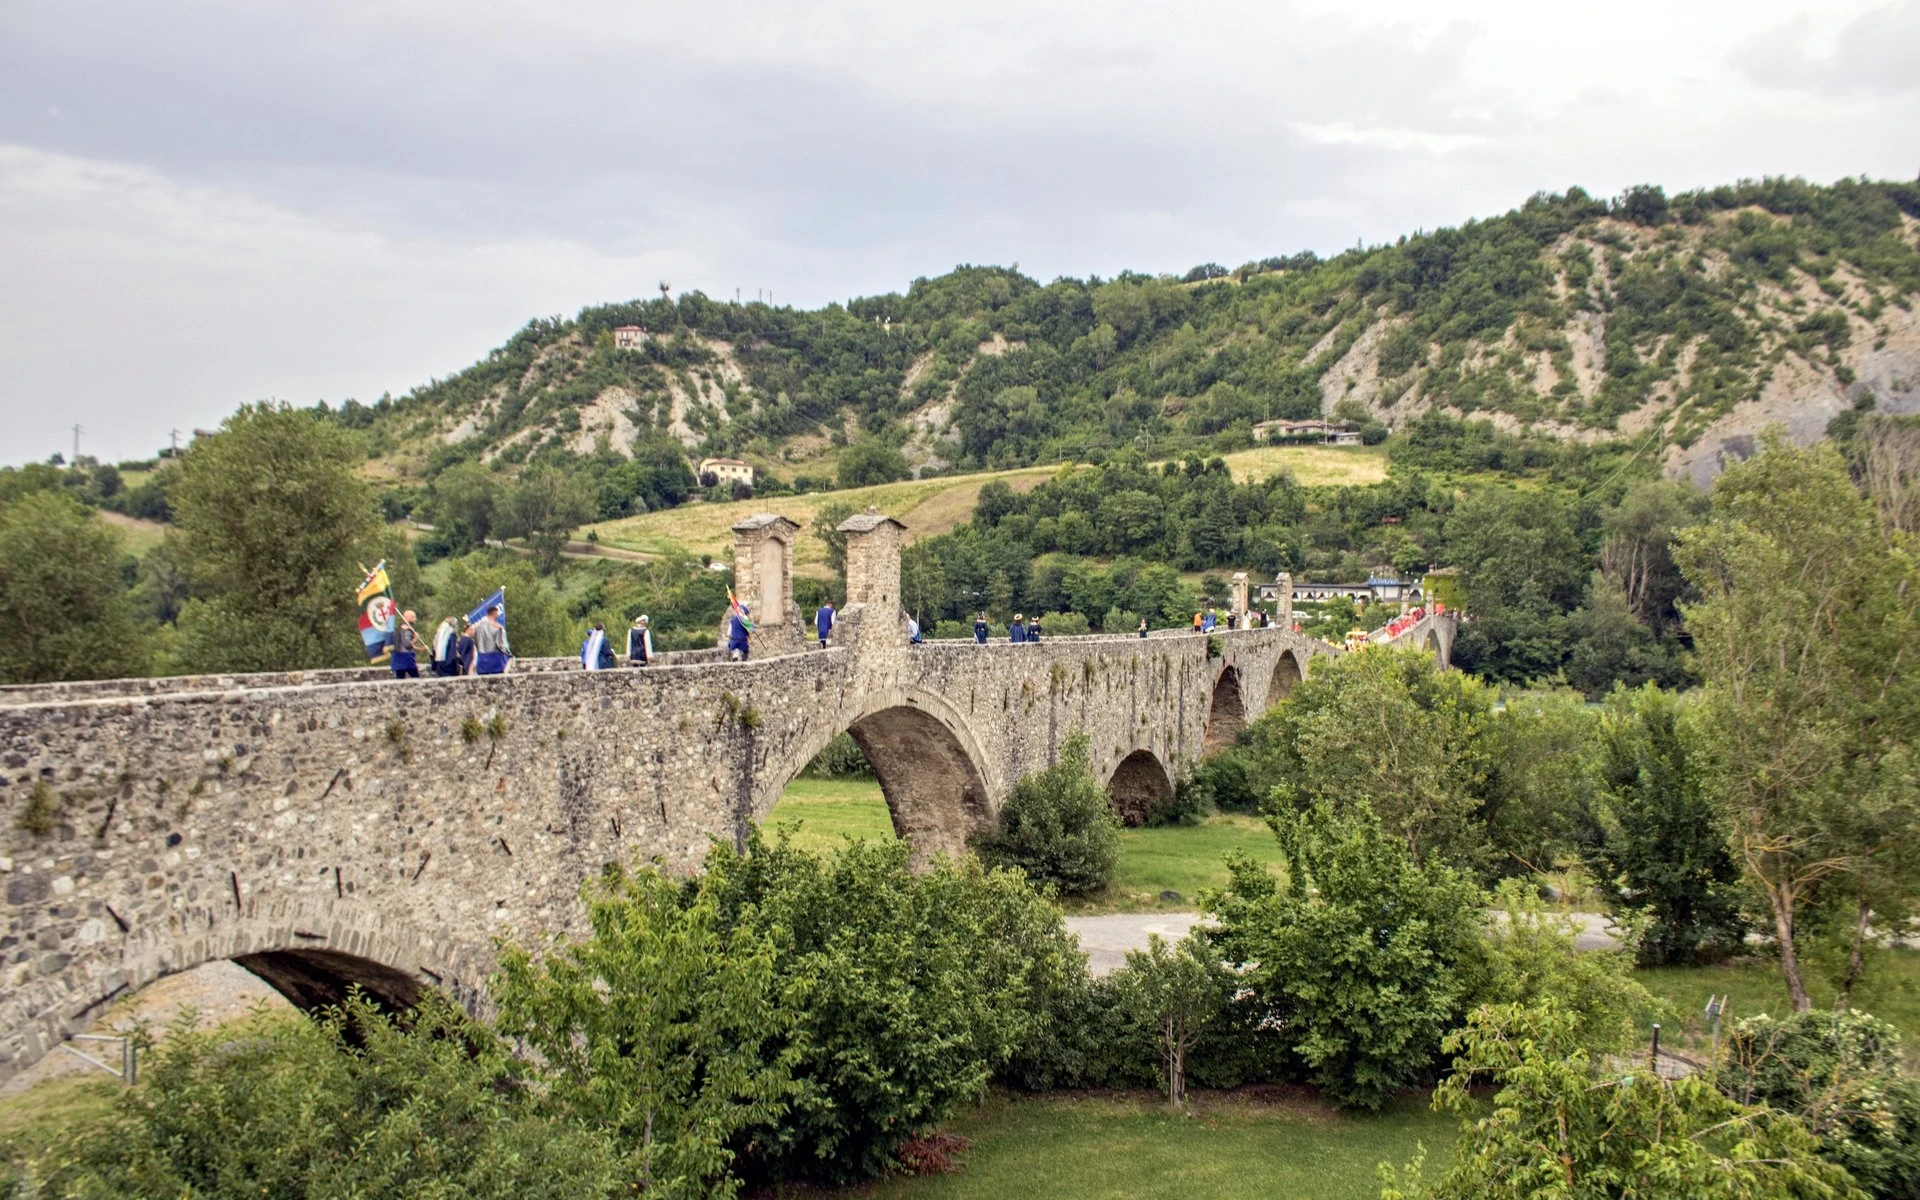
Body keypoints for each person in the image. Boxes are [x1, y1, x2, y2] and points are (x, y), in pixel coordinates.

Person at [472, 605, 509, 675]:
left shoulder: (478, 627)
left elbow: (476, 643)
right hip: (495, 659)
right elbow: (501, 645)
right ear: (495, 613)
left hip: (481, 659)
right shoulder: (498, 627)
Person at [389, 610, 420, 679]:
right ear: (407, 618)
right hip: (406, 658)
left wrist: (421, 649)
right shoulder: (407, 630)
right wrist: (415, 638)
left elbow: (402, 644)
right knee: (416, 678)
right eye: (413, 617)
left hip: (397, 658)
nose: (415, 619)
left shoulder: (399, 628)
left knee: (400, 679)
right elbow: (407, 645)